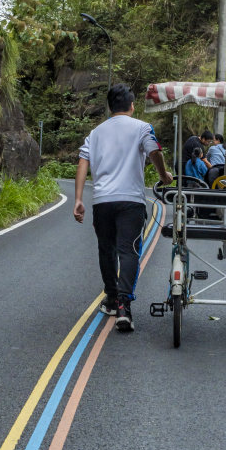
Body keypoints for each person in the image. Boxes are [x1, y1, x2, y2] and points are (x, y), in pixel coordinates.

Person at [73, 83, 172, 333]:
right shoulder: (141, 127)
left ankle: (110, 297)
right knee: (128, 251)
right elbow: (155, 152)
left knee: (106, 250)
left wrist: (78, 199)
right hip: (131, 201)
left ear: (109, 107)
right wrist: (164, 176)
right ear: (132, 105)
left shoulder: (94, 133)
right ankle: (124, 306)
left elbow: (83, 162)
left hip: (102, 201)